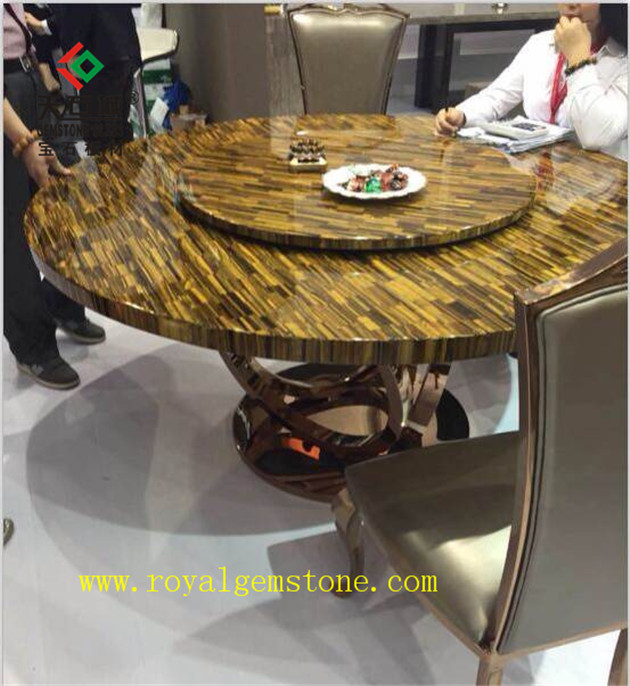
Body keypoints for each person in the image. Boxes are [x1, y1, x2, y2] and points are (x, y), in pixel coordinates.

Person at [4, 3, 105, 390]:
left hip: (31, 82)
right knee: (16, 225)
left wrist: (59, 79)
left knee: (60, 198)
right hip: (8, 99)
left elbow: (38, 33)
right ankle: (32, 345)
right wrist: (25, 140)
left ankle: (61, 301)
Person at [434, 3, 628, 159]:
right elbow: (496, 97)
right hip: (538, 173)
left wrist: (578, 57)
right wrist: (462, 115)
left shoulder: (623, 59)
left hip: (599, 183)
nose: (571, 4)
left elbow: (594, 136)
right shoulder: (540, 43)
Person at [54, 4, 141, 155]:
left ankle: (112, 169)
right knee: (118, 129)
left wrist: (72, 51)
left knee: (100, 134)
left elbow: (75, 13)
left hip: (98, 53)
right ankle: (123, 167)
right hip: (121, 47)